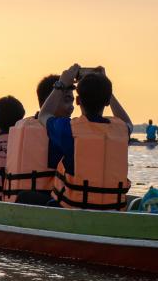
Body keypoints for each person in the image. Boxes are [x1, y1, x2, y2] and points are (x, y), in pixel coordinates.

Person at [39, 64, 133, 210]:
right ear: (107, 101)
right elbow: (128, 122)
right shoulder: (122, 130)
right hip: (112, 210)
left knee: (26, 197)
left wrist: (61, 83)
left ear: (77, 101)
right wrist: (105, 88)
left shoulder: (68, 130)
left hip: (75, 210)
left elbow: (44, 114)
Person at [2, 74, 75, 203]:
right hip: (47, 201)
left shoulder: (20, 126)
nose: (72, 106)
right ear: (51, 100)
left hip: (13, 199)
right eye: (67, 100)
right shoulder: (62, 133)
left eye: (72, 101)